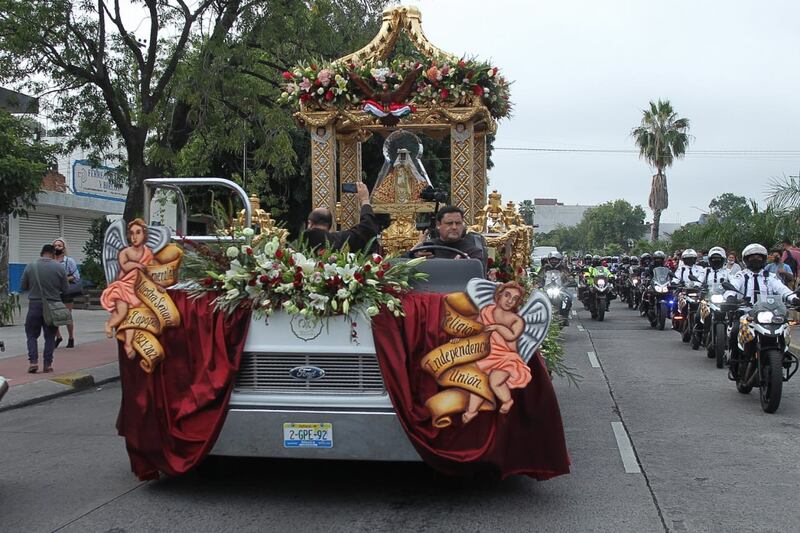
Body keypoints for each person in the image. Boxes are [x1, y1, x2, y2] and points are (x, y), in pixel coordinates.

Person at [725, 244, 799, 378]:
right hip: (746, 313)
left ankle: (784, 355)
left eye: (759, 257)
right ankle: (734, 361)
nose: (756, 259)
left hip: (769, 314)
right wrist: (730, 296)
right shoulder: (741, 275)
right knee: (735, 330)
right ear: (746, 259)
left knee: (784, 327)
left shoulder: (770, 277)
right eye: (752, 257)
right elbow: (732, 287)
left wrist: (793, 298)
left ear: (764, 259)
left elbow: (782, 289)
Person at [462, 281, 531, 424]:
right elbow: (478, 329)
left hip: (507, 358)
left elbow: (511, 336)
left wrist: (497, 327)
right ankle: (471, 411)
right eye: (507, 295)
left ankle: (507, 401)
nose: (510, 301)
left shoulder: (517, 320)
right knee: (477, 381)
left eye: (515, 299)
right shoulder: (486, 310)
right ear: (499, 295)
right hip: (487, 354)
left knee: (495, 381)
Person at [101, 218, 157, 358]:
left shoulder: (148, 252)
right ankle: (109, 325)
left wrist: (158, 286)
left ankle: (128, 344)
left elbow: (151, 272)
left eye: (138, 232)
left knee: (132, 318)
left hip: (138, 290)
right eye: (132, 233)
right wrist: (137, 265)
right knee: (122, 312)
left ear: (144, 234)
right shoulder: (125, 252)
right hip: (123, 287)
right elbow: (125, 266)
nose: (134, 236)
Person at [20, 244, 68, 373]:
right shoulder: (59, 267)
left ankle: (33, 362)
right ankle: (47, 365)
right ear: (53, 254)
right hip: (53, 307)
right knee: (50, 336)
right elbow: (65, 289)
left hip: (34, 305)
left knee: (31, 335)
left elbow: (23, 286)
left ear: (41, 253)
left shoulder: (30, 266)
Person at [303, 182, 379, 252]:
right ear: (329, 226)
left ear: (310, 223)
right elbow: (367, 228)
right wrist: (365, 200)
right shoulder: (341, 240)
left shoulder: (300, 241)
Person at [410, 206, 485, 262]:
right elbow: (402, 264)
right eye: (449, 223)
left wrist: (466, 264)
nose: (454, 227)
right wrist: (414, 256)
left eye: (458, 223)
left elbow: (476, 273)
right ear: (438, 225)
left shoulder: (472, 251)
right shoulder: (427, 248)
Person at [52, 238, 80, 348]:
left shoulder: (69, 261)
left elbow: (76, 276)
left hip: (66, 291)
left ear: (63, 248)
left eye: (59, 246)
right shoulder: (50, 261)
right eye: (55, 246)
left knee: (67, 315)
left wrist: (64, 279)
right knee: (53, 316)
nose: (57, 248)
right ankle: (58, 337)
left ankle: (71, 338)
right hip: (53, 292)